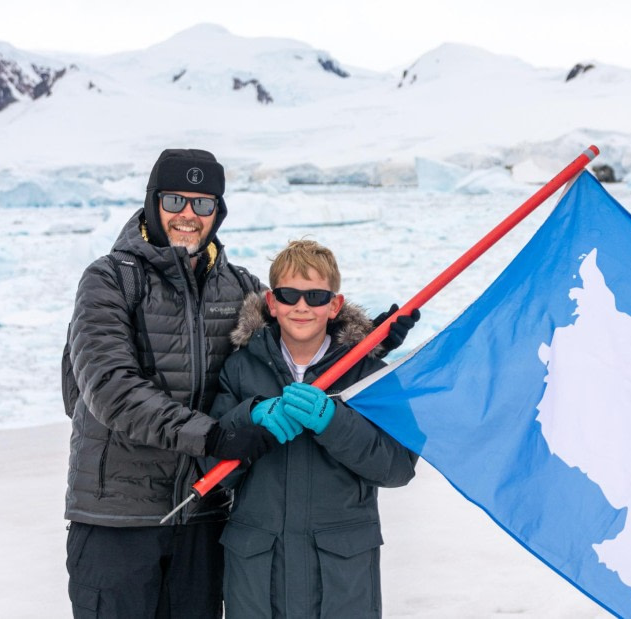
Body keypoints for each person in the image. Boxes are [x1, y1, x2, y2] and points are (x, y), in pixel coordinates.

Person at [64, 149, 418, 618]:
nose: (188, 215)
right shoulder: (110, 280)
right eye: (175, 200)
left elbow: (290, 339)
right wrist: (216, 435)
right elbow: (110, 389)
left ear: (219, 211)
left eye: (203, 203)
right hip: (120, 514)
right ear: (153, 202)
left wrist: (362, 341)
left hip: (203, 515)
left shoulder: (236, 286)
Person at [210, 239, 419, 618]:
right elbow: (213, 468)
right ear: (271, 303)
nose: (302, 307)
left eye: (316, 296)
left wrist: (334, 422)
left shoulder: (367, 375)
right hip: (258, 573)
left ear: (334, 304)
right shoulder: (241, 369)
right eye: (289, 295)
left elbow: (398, 466)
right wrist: (249, 420)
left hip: (341, 577)